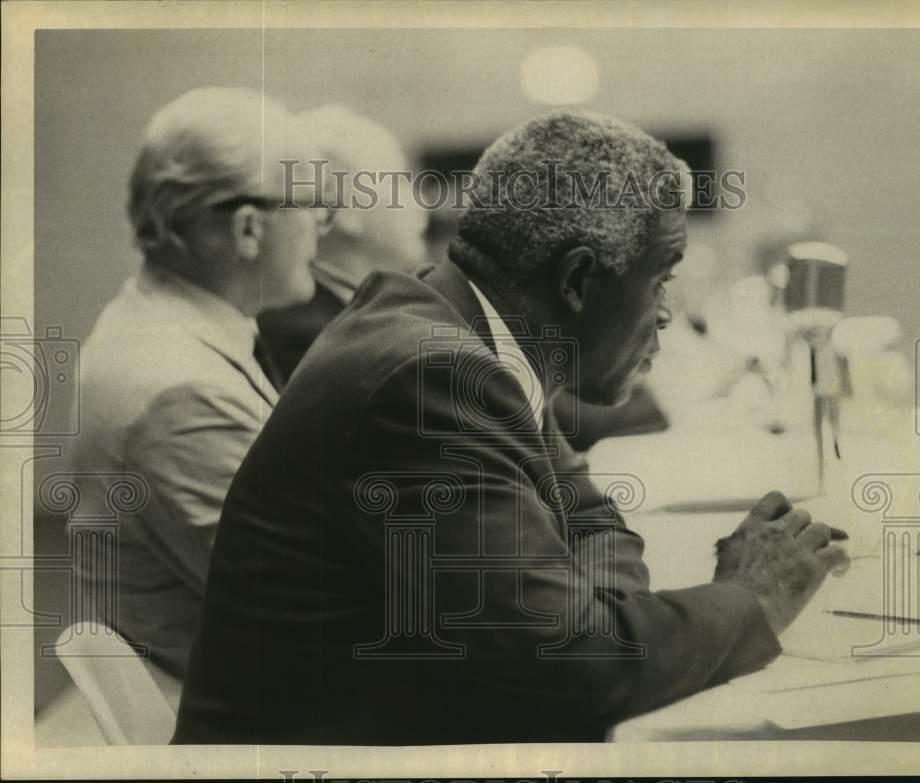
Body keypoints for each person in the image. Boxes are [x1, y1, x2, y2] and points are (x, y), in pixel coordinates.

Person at [174, 111, 850, 744]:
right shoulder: (429, 375)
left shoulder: (452, 329)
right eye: (659, 280)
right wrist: (748, 597)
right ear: (580, 280)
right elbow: (573, 669)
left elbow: (593, 519)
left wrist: (595, 617)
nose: (667, 314)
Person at [68, 87, 330, 681]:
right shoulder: (177, 388)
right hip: (257, 720)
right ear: (246, 230)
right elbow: (313, 605)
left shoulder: (152, 324)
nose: (321, 224)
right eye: (310, 202)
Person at [257, 104, 429, 383]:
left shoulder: (340, 319)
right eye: (400, 180)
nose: (421, 202)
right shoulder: (315, 338)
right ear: (340, 207)